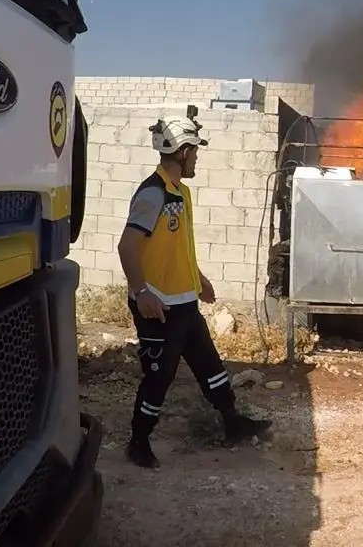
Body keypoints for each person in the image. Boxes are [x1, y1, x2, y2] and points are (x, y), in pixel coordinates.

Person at [116, 108, 270, 469]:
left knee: (209, 365)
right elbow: (127, 247)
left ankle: (233, 422)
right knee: (159, 377)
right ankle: (138, 442)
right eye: (196, 152)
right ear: (183, 151)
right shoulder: (153, 193)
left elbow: (177, 244)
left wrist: (197, 277)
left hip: (184, 302)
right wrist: (141, 294)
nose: (197, 158)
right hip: (159, 308)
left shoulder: (180, 193)